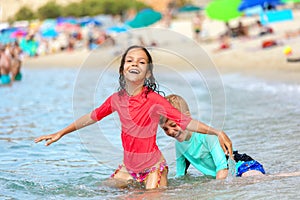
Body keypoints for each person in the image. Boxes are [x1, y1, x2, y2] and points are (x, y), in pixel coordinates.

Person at [34, 45, 232, 189]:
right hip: (129, 168)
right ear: (122, 70)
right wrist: (61, 132)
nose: (135, 64)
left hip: (154, 167)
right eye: (130, 60)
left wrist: (217, 131)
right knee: (99, 190)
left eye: (141, 61)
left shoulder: (154, 100)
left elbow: (185, 121)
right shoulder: (115, 100)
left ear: (147, 73)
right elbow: (91, 117)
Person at [159, 94, 265, 179]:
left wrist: (217, 190)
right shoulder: (179, 145)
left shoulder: (207, 137)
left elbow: (223, 168)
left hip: (241, 165)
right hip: (225, 175)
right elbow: (180, 175)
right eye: (165, 129)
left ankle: (280, 177)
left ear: (187, 117)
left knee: (253, 179)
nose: (171, 132)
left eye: (173, 125)